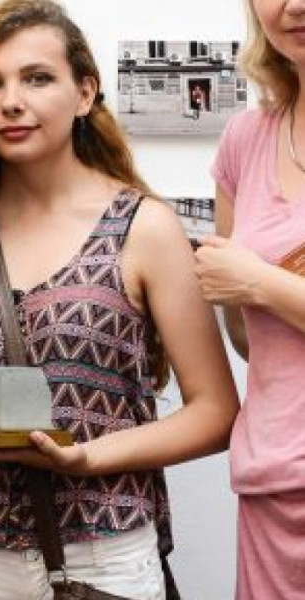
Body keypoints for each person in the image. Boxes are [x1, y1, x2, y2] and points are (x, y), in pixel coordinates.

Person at [0, 1, 239, 599]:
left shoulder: (143, 226)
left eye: (37, 78)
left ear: (85, 93)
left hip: (103, 552)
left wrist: (88, 457)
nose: (10, 101)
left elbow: (216, 413)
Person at [196, 0, 305, 597]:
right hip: (272, 476)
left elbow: (245, 285)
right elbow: (243, 327)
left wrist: (262, 283)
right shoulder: (247, 136)